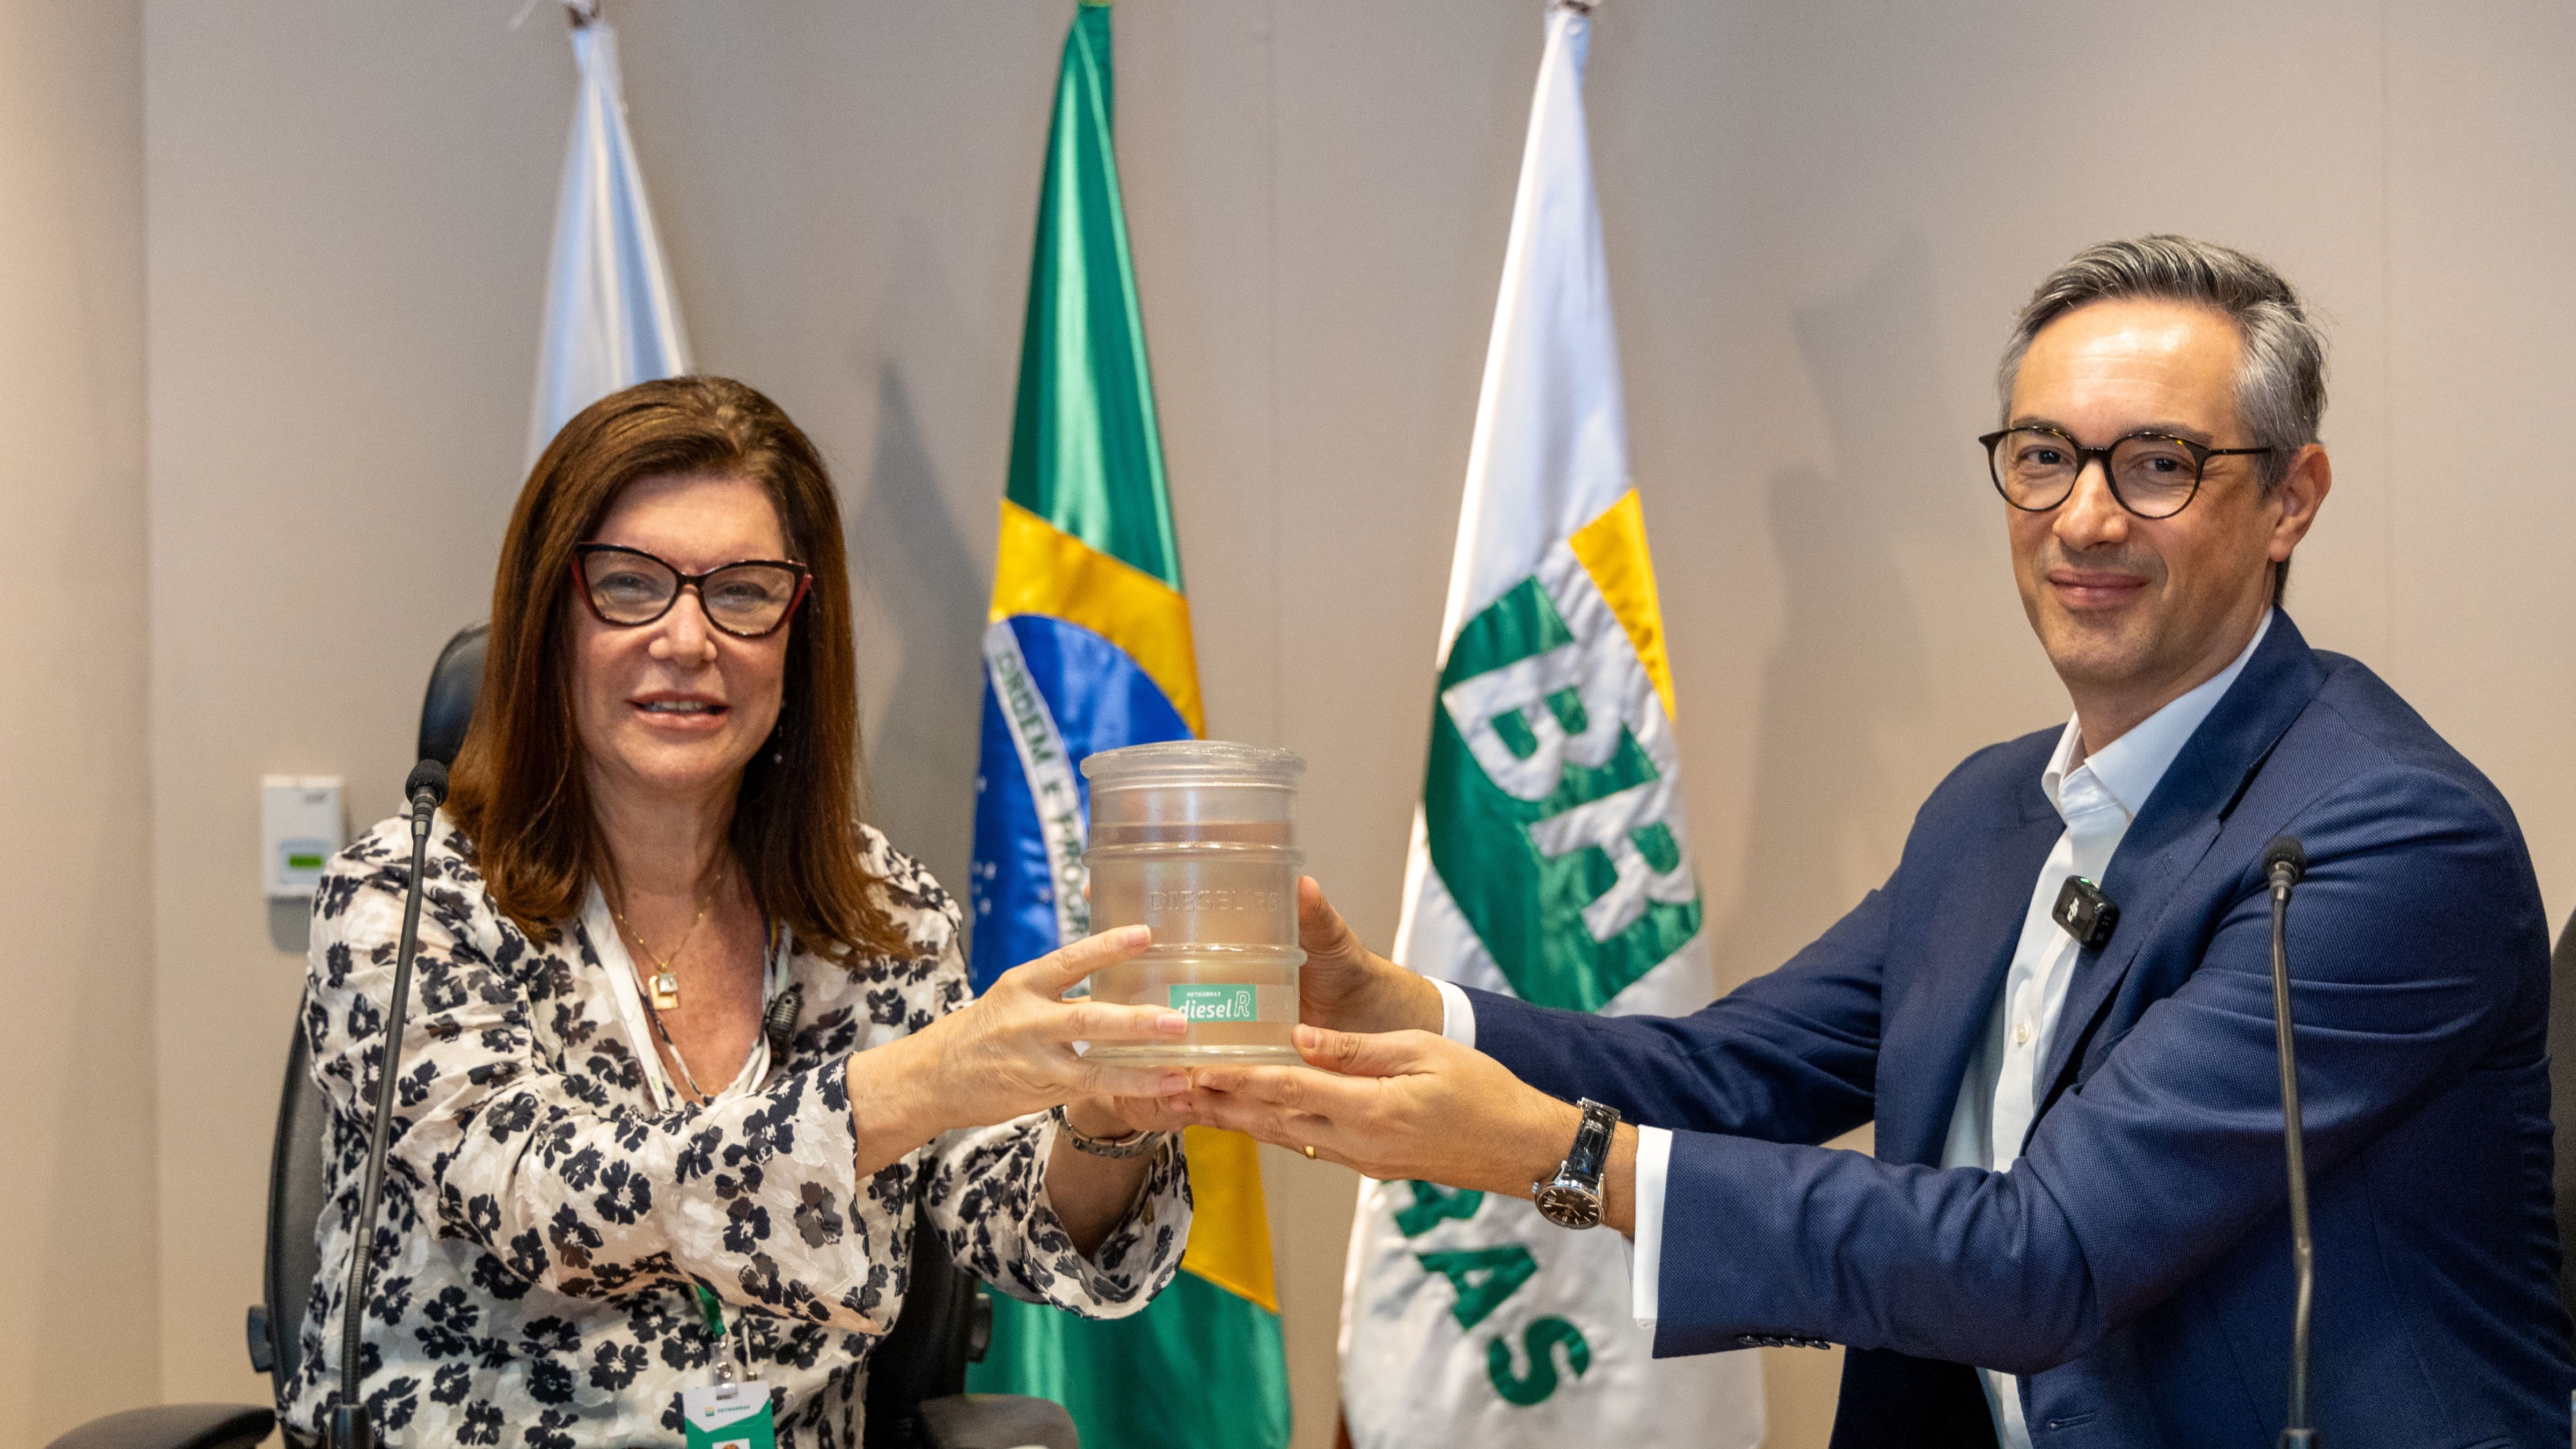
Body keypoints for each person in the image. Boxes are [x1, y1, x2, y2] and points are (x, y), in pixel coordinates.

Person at [1183, 237, 2573, 1446]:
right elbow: (1727, 1071)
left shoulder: (2386, 840)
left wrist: (1565, 1153)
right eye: (2044, 458)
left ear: (2291, 495)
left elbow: (2048, 1255)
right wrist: (1401, 1007)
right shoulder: (1993, 808)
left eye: (2159, 464)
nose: (2084, 517)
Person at [290, 376, 1199, 1445]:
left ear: (799, 636)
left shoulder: (881, 915)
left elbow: (1018, 1232)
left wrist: (1108, 1128)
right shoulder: (407, 903)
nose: (687, 638)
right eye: (630, 586)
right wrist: (906, 1088)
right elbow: (541, 1201)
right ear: (550, 619)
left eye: (744, 591)